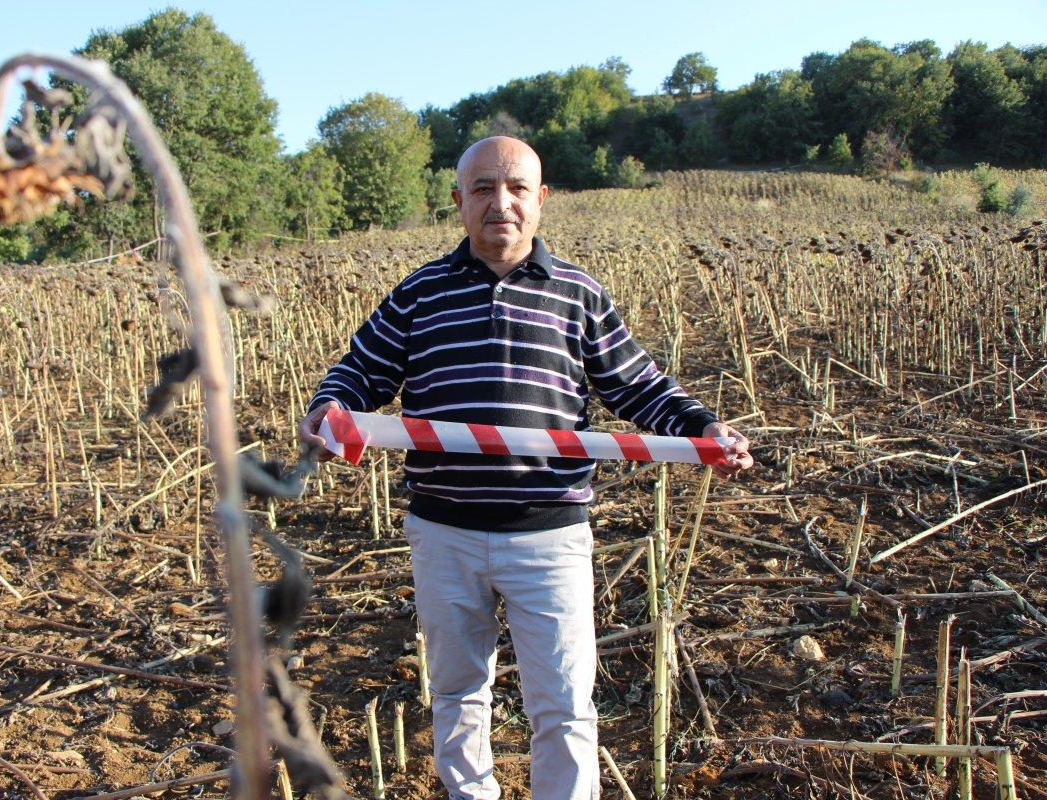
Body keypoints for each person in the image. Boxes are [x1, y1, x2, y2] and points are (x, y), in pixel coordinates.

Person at [299, 136, 752, 800]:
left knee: (564, 703)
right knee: (456, 691)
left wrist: (703, 428)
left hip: (550, 536)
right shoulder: (420, 294)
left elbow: (637, 387)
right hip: (444, 533)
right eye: (482, 189)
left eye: (515, 189)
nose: (499, 203)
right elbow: (361, 369)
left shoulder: (578, 294)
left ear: (540, 200)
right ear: (458, 202)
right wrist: (329, 406)